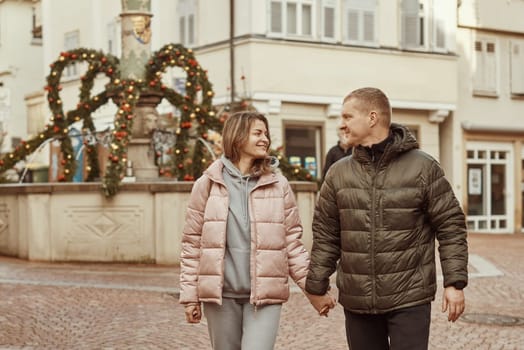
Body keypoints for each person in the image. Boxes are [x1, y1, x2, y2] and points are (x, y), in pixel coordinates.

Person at [305, 87, 468, 350]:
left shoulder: (423, 167)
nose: (341, 124)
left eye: (347, 117)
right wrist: (316, 285)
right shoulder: (337, 173)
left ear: (372, 118)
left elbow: (451, 226)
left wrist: (455, 282)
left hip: (410, 298)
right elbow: (326, 234)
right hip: (358, 301)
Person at [179, 111, 336, 350]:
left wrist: (314, 290)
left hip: (265, 296)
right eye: (258, 133)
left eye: (266, 134)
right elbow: (192, 245)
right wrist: (190, 297)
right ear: (238, 137)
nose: (265, 139)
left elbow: (292, 245)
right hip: (221, 297)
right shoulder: (207, 184)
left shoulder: (278, 184)